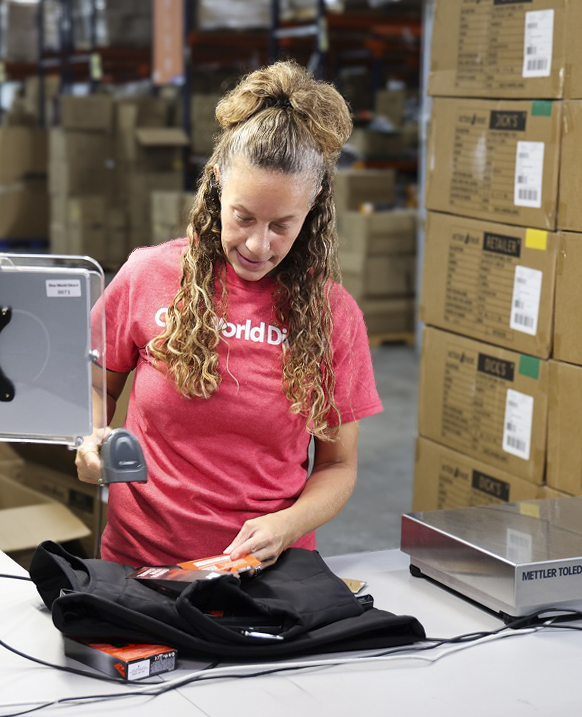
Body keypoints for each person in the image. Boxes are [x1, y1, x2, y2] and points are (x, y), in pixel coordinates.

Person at [75, 61, 383, 569]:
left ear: (313, 208)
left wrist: (288, 524)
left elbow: (338, 465)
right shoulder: (148, 275)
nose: (259, 245)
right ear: (217, 184)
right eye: (243, 217)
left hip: (265, 577)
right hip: (141, 565)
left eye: (282, 226)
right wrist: (91, 438)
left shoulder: (334, 316)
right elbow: (94, 384)